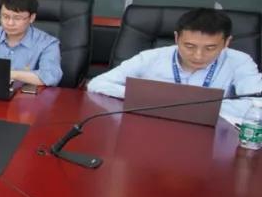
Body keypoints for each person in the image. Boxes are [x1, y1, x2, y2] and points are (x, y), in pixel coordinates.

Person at [88, 8, 262, 123]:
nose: (198, 55)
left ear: (226, 42)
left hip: (211, 134)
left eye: (210, 48)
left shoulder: (239, 61)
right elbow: (97, 83)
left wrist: (197, 105)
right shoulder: (152, 57)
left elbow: (257, 105)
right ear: (177, 38)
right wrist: (150, 98)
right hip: (153, 127)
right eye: (189, 46)